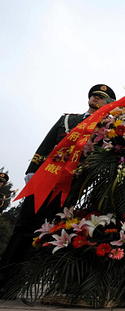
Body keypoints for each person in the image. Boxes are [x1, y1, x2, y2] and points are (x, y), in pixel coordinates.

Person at [0, 84, 116, 289]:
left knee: (48, 230)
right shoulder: (67, 120)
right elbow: (45, 145)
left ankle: (23, 280)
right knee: (23, 226)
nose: (96, 98)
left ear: (109, 104)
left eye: (101, 97)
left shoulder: (106, 129)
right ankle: (4, 276)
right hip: (46, 177)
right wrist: (32, 170)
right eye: (94, 95)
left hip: (69, 185)